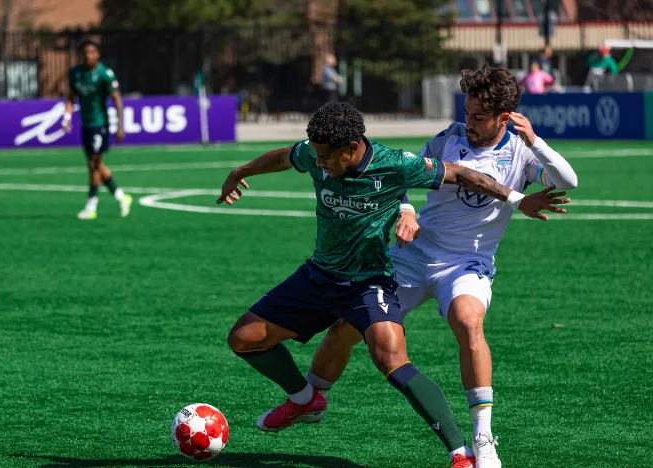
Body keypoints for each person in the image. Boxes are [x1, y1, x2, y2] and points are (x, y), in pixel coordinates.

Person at [217, 101, 569, 468]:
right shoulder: (314, 153)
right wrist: (241, 171)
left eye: (326, 157)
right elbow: (284, 157)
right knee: (243, 339)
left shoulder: (395, 163)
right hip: (318, 275)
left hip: (369, 283)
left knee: (391, 359)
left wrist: (516, 199)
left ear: (352, 148)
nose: (318, 163)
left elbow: (463, 175)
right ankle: (305, 399)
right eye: (316, 155)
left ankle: (460, 452)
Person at [299, 65, 578, 468]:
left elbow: (567, 180)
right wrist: (407, 212)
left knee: (469, 322)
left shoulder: (521, 151)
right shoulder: (449, 138)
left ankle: (483, 438)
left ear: (504, 118)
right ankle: (311, 398)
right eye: (467, 112)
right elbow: (398, 177)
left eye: (479, 117)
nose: (470, 123)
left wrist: (535, 140)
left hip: (467, 262)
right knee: (347, 326)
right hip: (415, 255)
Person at [63, 40, 133, 220]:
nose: (89, 56)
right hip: (85, 124)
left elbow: (117, 99)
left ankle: (91, 207)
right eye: (85, 52)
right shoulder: (75, 73)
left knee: (94, 165)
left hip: (99, 124)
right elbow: (71, 96)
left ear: (98, 54)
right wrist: (67, 117)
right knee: (95, 164)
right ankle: (121, 197)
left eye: (92, 52)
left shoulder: (105, 74)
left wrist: (120, 126)